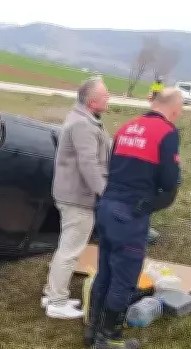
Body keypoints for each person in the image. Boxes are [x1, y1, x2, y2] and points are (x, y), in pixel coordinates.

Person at [86, 88, 183, 349]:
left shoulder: (128, 126)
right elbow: (168, 181)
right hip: (130, 213)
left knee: (104, 271)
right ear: (174, 109)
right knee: (124, 279)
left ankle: (92, 330)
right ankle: (109, 339)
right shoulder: (167, 133)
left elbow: (111, 164)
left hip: (106, 206)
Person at [42, 77, 111, 320]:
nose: (108, 98)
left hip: (71, 195)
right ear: (92, 102)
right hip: (77, 197)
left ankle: (52, 293)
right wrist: (105, 191)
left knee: (66, 246)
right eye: (105, 95)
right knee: (71, 249)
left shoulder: (83, 120)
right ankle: (57, 302)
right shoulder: (83, 125)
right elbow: (89, 164)